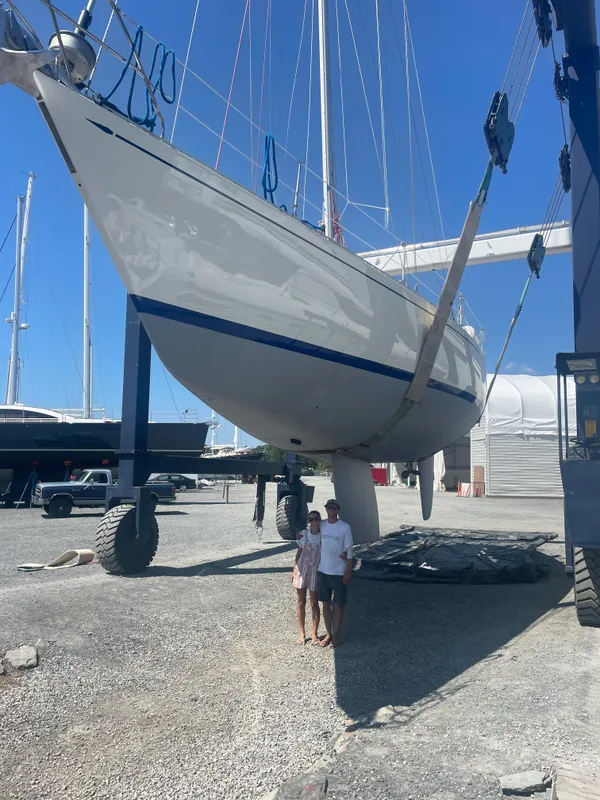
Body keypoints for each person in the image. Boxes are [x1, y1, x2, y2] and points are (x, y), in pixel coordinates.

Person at [317, 499, 353, 648]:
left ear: (338, 510)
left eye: (334, 508)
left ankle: (336, 633)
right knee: (325, 603)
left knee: (338, 604)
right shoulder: (322, 525)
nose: (332, 510)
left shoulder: (344, 527)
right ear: (326, 509)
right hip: (323, 570)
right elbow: (310, 534)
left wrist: (348, 571)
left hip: (338, 571)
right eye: (329, 508)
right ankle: (328, 633)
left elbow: (350, 550)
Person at [292, 510, 322, 645]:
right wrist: (294, 569)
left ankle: (314, 633)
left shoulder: (323, 536)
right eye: (311, 519)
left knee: (314, 602)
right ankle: (302, 633)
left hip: (315, 570)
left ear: (320, 520)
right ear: (308, 522)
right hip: (301, 570)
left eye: (316, 519)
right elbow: (299, 552)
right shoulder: (304, 534)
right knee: (300, 602)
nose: (314, 522)